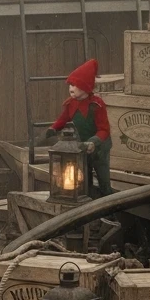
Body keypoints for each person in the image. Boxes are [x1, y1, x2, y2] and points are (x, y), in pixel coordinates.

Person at [47, 57, 113, 197]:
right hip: (82, 146)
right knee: (84, 178)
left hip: (99, 147)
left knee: (103, 179)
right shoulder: (71, 103)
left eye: (74, 85)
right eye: (70, 85)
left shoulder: (96, 105)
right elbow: (63, 119)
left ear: (85, 87)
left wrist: (94, 142)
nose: (70, 88)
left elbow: (104, 130)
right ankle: (87, 206)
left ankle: (110, 211)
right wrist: (54, 128)